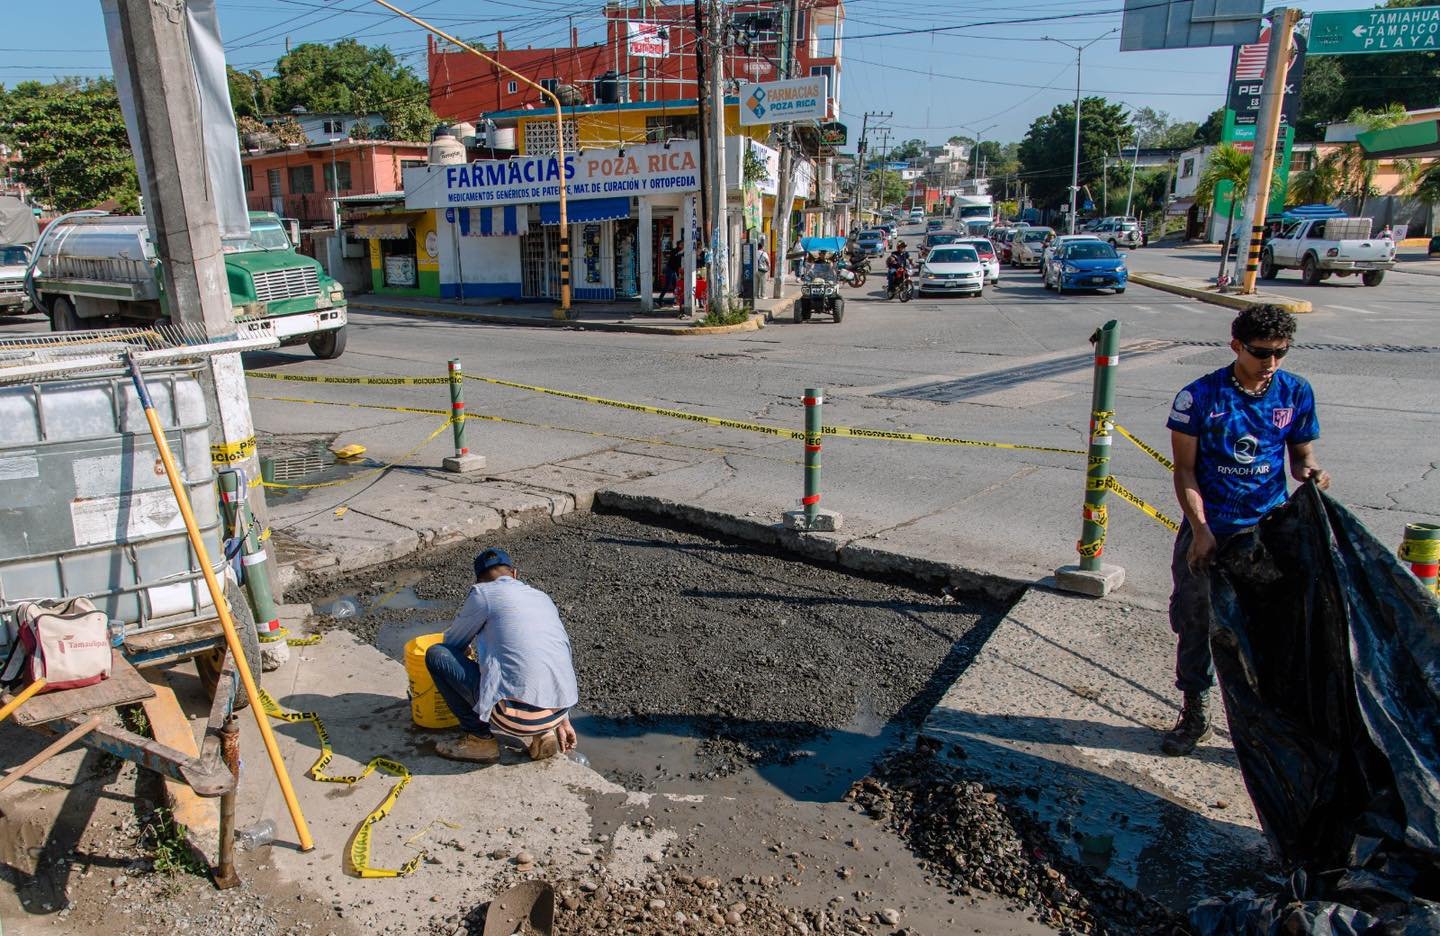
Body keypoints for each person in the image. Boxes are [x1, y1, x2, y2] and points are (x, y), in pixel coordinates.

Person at [1161, 306, 1330, 756]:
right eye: (1260, 353)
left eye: (1280, 353)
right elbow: (1185, 471)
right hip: (1210, 529)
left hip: (1266, 534)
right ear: (1237, 346)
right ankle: (1194, 709)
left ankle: (1265, 725)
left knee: (1266, 629)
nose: (1270, 363)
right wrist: (1200, 530)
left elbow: (1300, 454)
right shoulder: (1199, 398)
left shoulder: (1295, 393)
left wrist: (1309, 470)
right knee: (1196, 621)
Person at [425, 548, 579, 763]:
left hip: (516, 718)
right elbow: (553, 657)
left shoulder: (482, 594)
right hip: (559, 707)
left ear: (478, 581)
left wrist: (465, 651)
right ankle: (543, 734)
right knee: (526, 657)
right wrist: (562, 720)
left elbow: (452, 643)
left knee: (437, 655)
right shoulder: (541, 597)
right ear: (514, 574)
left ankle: (479, 739)